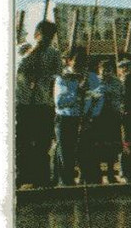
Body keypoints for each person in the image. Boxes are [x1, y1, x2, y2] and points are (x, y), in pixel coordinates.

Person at [15, 20, 61, 188]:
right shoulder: (23, 49)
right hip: (25, 103)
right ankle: (22, 176)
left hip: (43, 104)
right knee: (23, 141)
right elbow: (19, 68)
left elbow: (58, 75)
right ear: (36, 35)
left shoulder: (53, 53)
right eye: (45, 37)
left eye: (50, 38)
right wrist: (34, 52)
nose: (47, 41)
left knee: (43, 143)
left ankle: (41, 177)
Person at [51, 51, 89, 186]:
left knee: (74, 152)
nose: (80, 64)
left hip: (78, 118)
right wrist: (76, 93)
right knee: (64, 152)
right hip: (64, 118)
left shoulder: (84, 77)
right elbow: (59, 102)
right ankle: (65, 182)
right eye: (77, 60)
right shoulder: (62, 78)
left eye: (82, 61)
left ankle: (67, 179)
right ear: (70, 61)